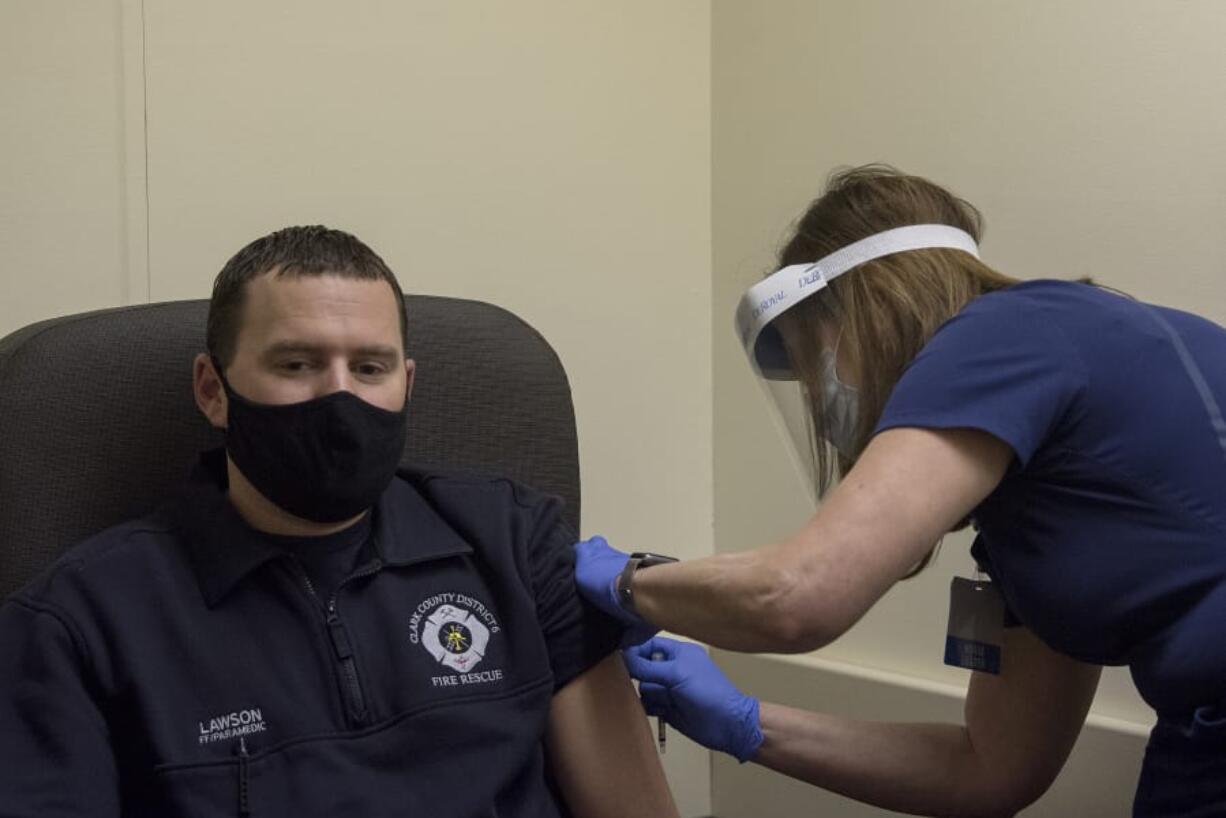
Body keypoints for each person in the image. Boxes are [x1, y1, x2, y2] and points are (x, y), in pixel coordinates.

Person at [575, 165, 1226, 816]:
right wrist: (747, 721)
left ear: (870, 306)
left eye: (817, 365)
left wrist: (628, 584)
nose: (822, 404)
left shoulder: (1006, 331)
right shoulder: (1036, 526)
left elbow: (796, 594)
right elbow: (992, 769)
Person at [0, 226, 678, 817]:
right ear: (213, 390)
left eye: (369, 366)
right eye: (297, 363)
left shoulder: (512, 542)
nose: (340, 395)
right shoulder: (81, 621)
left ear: (406, 385)